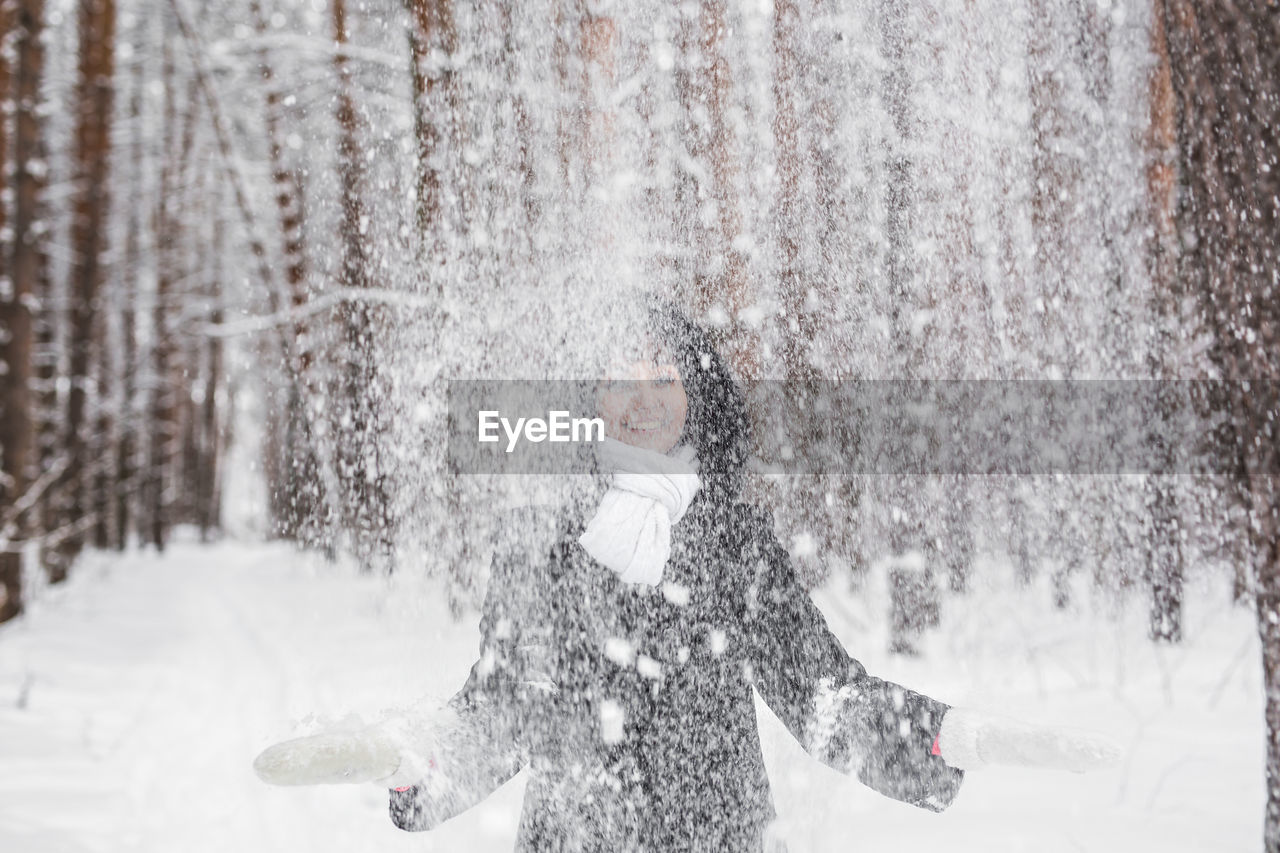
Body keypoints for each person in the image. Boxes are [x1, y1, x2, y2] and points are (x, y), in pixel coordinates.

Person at [253, 301, 1119, 852]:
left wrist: (941, 734)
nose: (641, 394)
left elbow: (821, 694)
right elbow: (502, 709)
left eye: (662, 374)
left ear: (696, 395)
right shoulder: (540, 537)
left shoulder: (733, 537)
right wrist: (416, 753)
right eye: (618, 376)